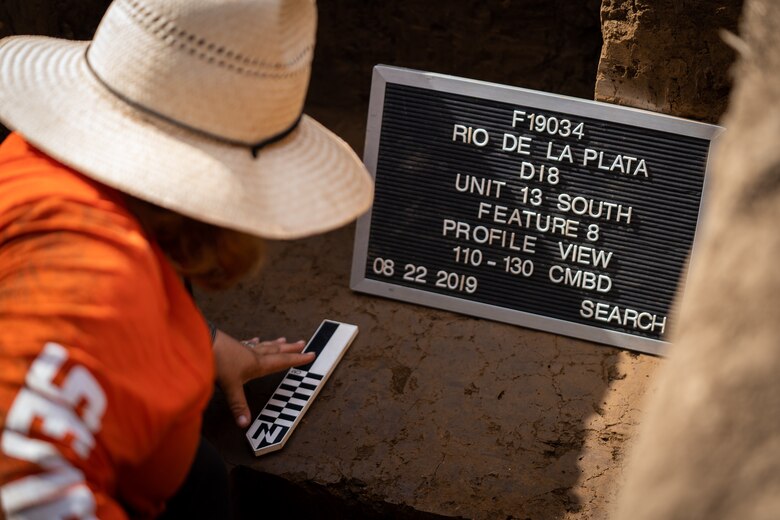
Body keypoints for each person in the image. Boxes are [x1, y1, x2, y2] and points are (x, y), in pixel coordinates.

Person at [0, 0, 373, 518]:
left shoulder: (32, 162)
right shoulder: (98, 284)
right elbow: (20, 487)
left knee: (199, 474)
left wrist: (200, 341)